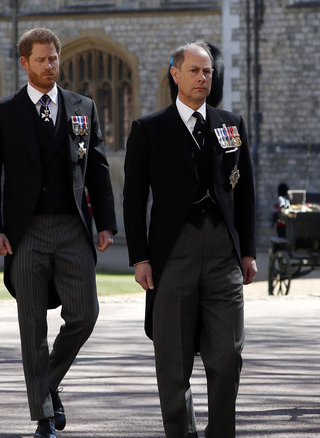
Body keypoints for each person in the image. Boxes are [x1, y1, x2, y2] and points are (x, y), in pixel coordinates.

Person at [0, 27, 117, 438]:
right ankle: (43, 417)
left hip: (73, 227)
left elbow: (98, 166)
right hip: (26, 232)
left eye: (53, 58)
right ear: (25, 63)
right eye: (40, 60)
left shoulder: (82, 106)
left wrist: (106, 222)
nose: (49, 66)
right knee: (32, 326)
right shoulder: (4, 111)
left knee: (85, 315)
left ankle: (47, 384)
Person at [123, 40, 257, 438]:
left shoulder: (231, 124)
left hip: (222, 253)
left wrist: (247, 252)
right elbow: (133, 199)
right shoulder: (148, 129)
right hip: (172, 253)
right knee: (173, 361)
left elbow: (245, 192)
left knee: (228, 355)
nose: (203, 78)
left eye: (208, 72)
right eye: (195, 70)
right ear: (175, 73)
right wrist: (140, 257)